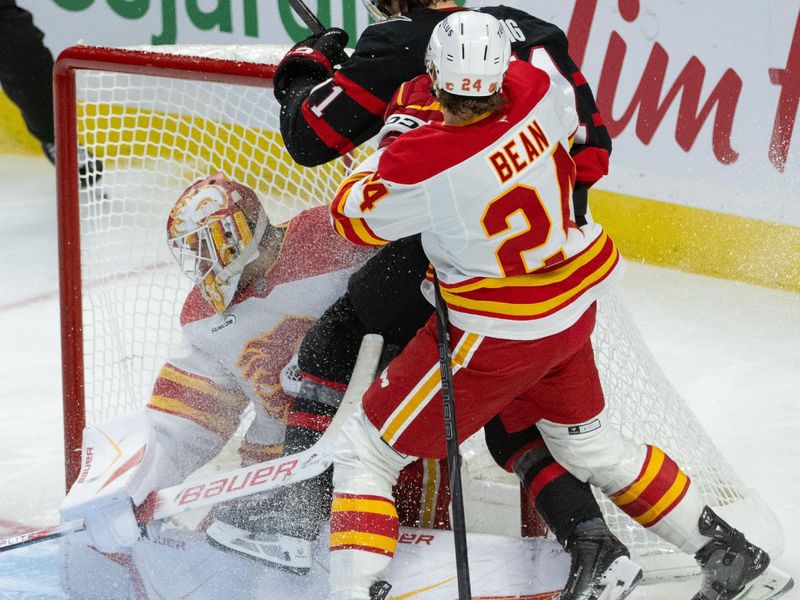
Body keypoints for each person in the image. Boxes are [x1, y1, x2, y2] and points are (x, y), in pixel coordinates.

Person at [324, 12, 776, 600]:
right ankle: (729, 552)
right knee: (593, 446)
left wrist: (397, 129)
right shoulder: (538, 93)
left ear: (434, 75)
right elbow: (525, 96)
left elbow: (352, 215)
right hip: (569, 309)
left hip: (497, 332)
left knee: (368, 451)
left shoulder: (428, 164)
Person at [259, 2, 631, 598]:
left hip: (458, 259)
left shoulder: (402, 42)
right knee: (517, 408)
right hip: (555, 250)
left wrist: (308, 67)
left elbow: (309, 138)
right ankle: (591, 539)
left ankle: (296, 520)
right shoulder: (527, 29)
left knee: (333, 344)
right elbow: (592, 152)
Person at [58, 173, 456, 576]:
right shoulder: (203, 317)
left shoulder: (334, 236)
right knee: (221, 565)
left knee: (385, 570)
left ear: (237, 235)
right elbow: (184, 422)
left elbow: (419, 266)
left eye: (205, 248)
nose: (199, 265)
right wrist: (133, 490)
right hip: (273, 475)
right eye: (190, 254)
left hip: (386, 451)